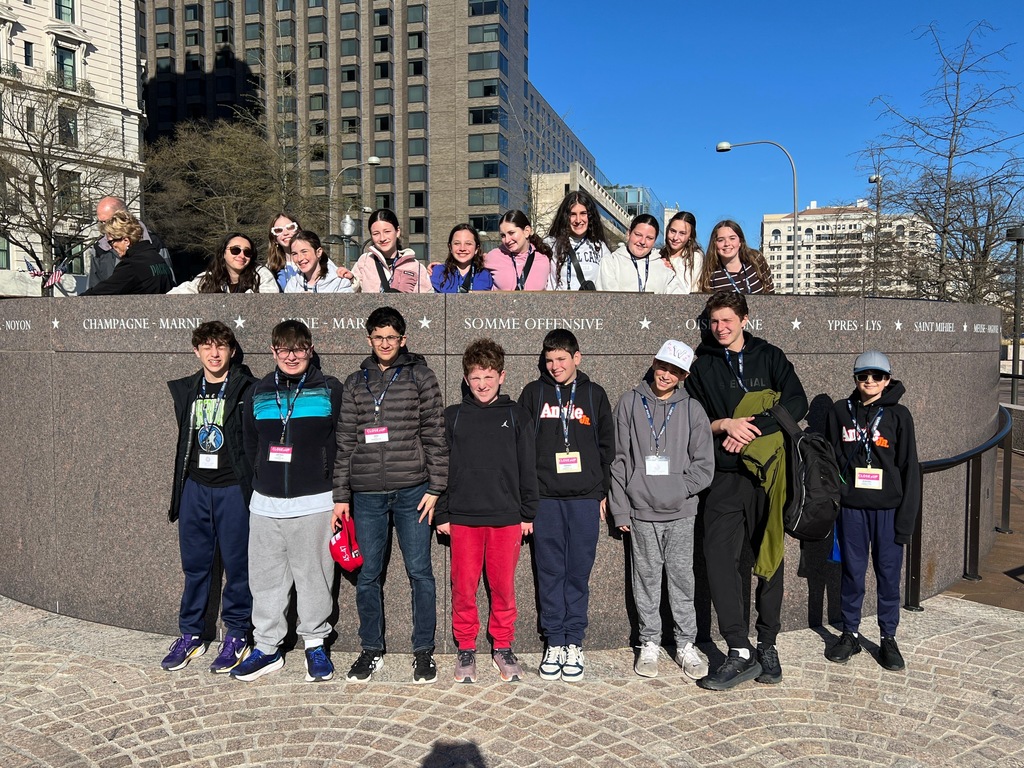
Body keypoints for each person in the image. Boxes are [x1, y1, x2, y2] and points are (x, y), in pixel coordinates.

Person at [685, 291, 807, 691]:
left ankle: (767, 643)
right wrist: (725, 426)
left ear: (744, 318)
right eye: (714, 321)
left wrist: (751, 429)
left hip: (769, 473)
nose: (721, 328)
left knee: (769, 554)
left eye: (727, 320)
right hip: (724, 475)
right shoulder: (701, 366)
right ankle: (738, 649)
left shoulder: (769, 356)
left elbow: (797, 403)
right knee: (717, 556)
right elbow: (696, 416)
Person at [332, 306, 448, 683]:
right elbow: (346, 440)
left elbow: (435, 434)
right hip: (365, 494)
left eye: (391, 338)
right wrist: (341, 495)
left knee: (420, 572)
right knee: (368, 575)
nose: (385, 344)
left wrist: (436, 487)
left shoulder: (421, 376)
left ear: (403, 339)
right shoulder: (354, 382)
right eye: (378, 337)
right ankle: (371, 649)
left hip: (412, 489)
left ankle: (423, 651)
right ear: (369, 340)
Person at [233, 320, 343, 683]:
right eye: (284, 349)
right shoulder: (258, 392)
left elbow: (343, 445)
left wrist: (339, 493)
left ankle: (315, 645)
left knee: (315, 578)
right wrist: (258, 485)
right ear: (273, 351)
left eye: (298, 348)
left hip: (314, 502)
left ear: (310, 350)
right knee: (265, 581)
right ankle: (266, 648)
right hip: (266, 505)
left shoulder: (329, 389)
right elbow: (251, 444)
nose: (291, 355)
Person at [609, 340, 714, 680]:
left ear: (683, 375)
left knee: (683, 580)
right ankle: (649, 642)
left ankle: (686, 644)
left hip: (682, 513)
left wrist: (678, 490)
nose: (666, 374)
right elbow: (619, 460)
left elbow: (703, 466)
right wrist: (621, 509)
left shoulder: (692, 410)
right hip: (641, 512)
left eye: (674, 370)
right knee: (646, 581)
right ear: (654, 363)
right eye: (662, 366)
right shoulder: (628, 403)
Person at [435, 339, 538, 683]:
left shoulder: (516, 415)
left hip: (506, 519)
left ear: (502, 376)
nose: (482, 384)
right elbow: (442, 468)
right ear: (466, 379)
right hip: (463, 518)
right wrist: (443, 514)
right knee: (463, 587)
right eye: (476, 377)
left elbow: (528, 466)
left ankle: (503, 645)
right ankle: (466, 647)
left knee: (503, 588)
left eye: (489, 376)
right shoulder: (454, 416)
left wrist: (527, 513)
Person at [520, 329, 614, 682]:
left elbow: (608, 447)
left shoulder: (594, 394)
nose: (555, 366)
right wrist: (526, 502)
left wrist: (602, 490)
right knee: (549, 572)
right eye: (549, 360)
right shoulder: (534, 393)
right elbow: (524, 450)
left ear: (577, 357)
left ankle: (574, 640)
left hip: (585, 498)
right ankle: (554, 640)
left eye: (562, 359)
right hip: (546, 498)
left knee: (578, 571)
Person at [163, 321, 256, 674]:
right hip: (195, 488)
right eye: (207, 347)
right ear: (196, 351)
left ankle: (236, 633)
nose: (214, 353)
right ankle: (191, 633)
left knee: (238, 566)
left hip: (233, 488)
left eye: (220, 346)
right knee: (195, 565)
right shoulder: (187, 389)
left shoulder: (247, 388)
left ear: (231, 351)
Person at [824, 350, 920, 672]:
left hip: (888, 511)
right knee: (852, 573)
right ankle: (850, 633)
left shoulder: (899, 416)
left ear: (887, 379)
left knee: (888, 577)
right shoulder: (840, 412)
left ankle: (888, 637)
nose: (869, 381)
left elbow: (909, 469)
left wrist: (905, 522)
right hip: (852, 509)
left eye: (876, 376)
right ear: (855, 379)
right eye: (863, 376)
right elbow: (830, 459)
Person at [87, 196, 176, 289]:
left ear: (124, 216)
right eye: (101, 222)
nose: (104, 227)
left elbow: (169, 282)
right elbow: (93, 289)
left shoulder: (154, 242)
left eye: (108, 221)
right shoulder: (99, 248)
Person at [597, 214, 685, 293]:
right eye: (638, 235)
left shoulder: (664, 268)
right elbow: (608, 300)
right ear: (629, 234)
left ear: (654, 240)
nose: (642, 241)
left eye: (649, 238)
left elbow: (678, 300)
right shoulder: (610, 262)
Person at [352, 209, 432, 293]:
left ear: (397, 232)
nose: (382, 238)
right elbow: (350, 295)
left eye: (387, 232)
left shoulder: (415, 266)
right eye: (376, 233)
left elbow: (427, 299)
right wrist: (349, 279)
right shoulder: (364, 261)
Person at [168, 233, 279, 294]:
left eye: (247, 252)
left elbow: (270, 302)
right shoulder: (210, 277)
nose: (241, 255)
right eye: (235, 250)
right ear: (223, 253)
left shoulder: (261, 275)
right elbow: (180, 292)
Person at [545, 191, 610, 291]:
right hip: (557, 304)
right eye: (573, 214)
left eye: (583, 213)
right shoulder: (550, 244)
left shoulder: (601, 247)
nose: (578, 220)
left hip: (588, 305)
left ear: (590, 216)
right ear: (565, 217)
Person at [696, 220, 774, 294]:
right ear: (714, 244)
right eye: (721, 240)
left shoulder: (756, 259)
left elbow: (771, 294)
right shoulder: (711, 275)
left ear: (740, 242)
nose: (727, 243)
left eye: (732, 238)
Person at [483, 210, 552, 291]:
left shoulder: (544, 260)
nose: (507, 240)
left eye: (511, 233)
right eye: (503, 235)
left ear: (527, 231)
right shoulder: (493, 257)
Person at [283, 230, 359, 293]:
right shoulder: (293, 284)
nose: (299, 258)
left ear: (318, 252)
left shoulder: (339, 282)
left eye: (304, 252)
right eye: (294, 254)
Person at [430, 224, 494, 293]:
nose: (462, 248)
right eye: (457, 243)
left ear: (476, 249)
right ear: (450, 247)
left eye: (468, 244)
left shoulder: (486, 275)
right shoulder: (437, 272)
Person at [659, 211, 704, 294]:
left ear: (690, 236)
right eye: (673, 231)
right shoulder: (658, 255)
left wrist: (669, 271)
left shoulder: (695, 257)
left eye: (682, 233)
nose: (675, 237)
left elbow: (686, 292)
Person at [266, 213, 301, 290]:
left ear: (299, 231)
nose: (285, 233)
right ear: (275, 239)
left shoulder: (317, 260)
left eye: (290, 227)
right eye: (278, 230)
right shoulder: (269, 269)